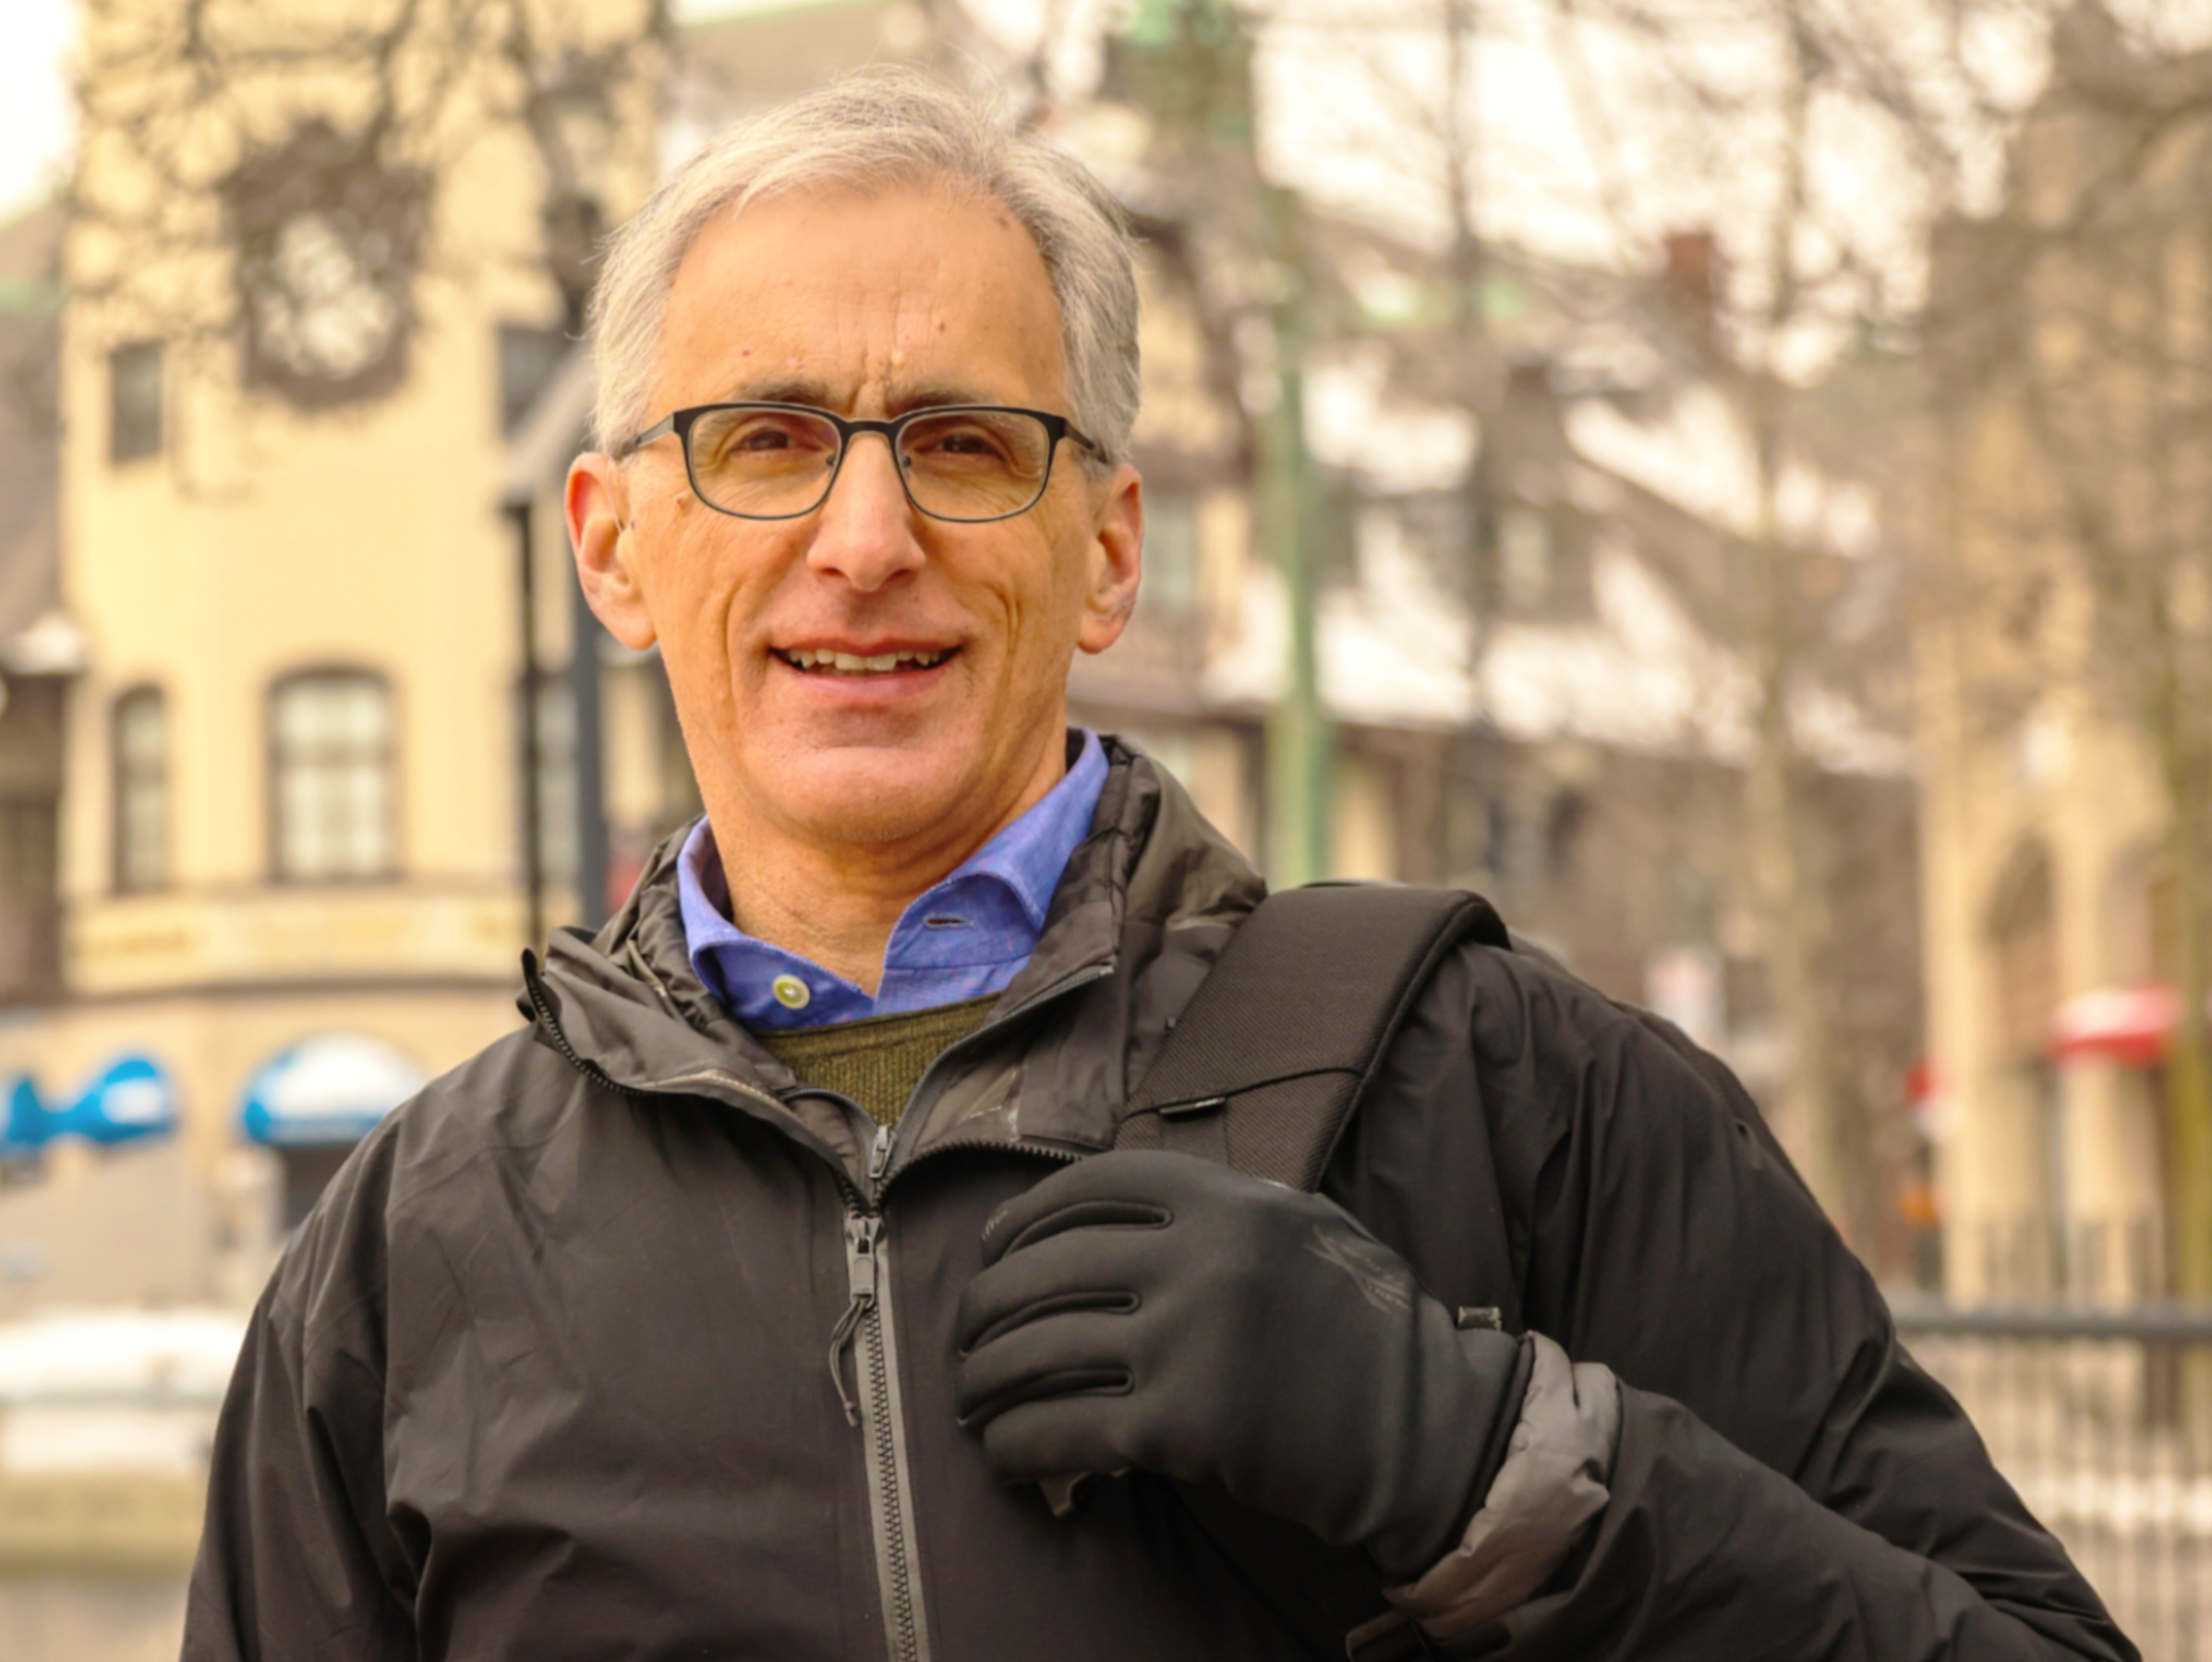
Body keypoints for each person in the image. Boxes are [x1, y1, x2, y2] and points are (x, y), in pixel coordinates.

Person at [183, 69, 2133, 1662]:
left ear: (1111, 544)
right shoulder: (405, 1265)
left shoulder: (1514, 1099)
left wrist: (1483, 1470)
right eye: (766, 440)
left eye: (961, 443)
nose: (864, 537)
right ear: (614, 544)